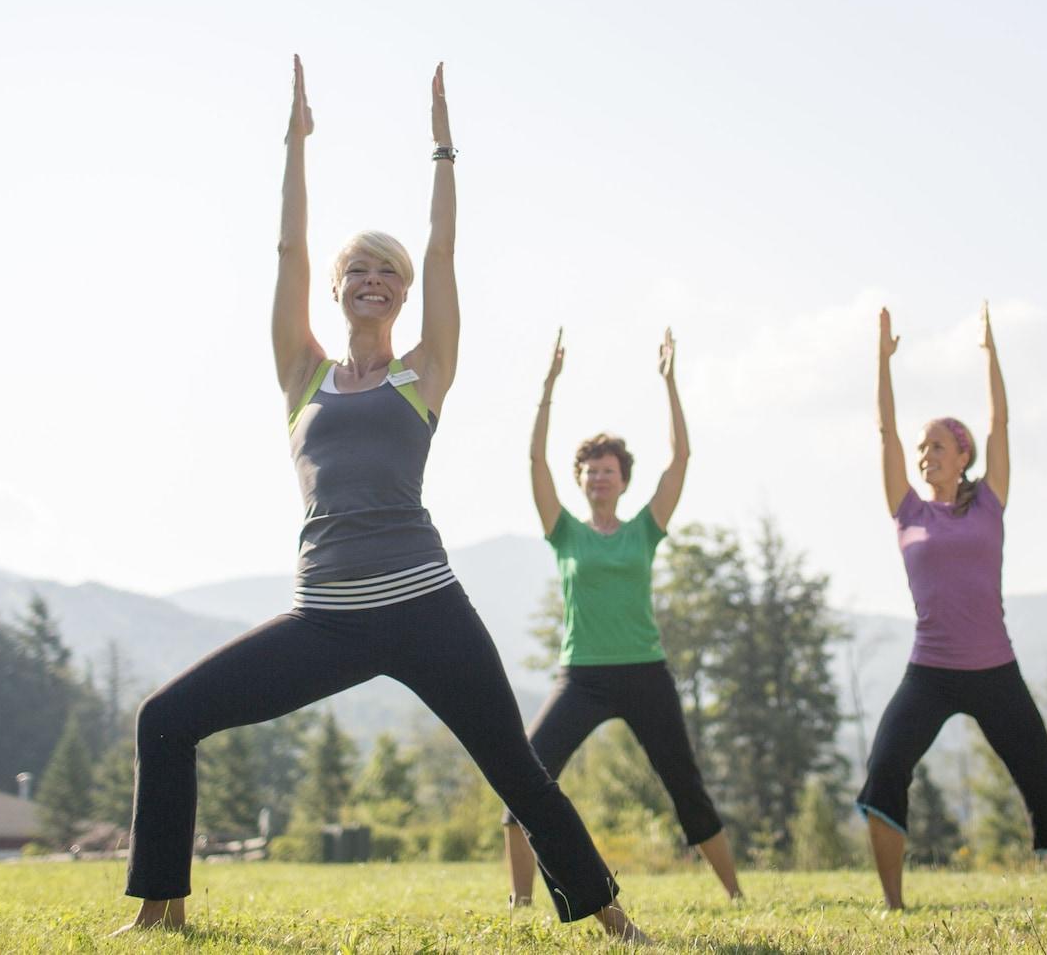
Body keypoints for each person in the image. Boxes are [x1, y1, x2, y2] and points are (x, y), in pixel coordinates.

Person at [113, 58, 649, 944]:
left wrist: (442, 148)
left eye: (387, 271)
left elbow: (443, 251)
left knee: (516, 767)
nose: (375, 276)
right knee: (166, 719)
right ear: (337, 285)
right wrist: (295, 143)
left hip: (428, 609)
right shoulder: (303, 374)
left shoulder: (423, 372)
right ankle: (159, 908)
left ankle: (613, 917)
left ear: (402, 292)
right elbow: (287, 248)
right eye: (359, 267)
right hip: (324, 617)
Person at [856, 304, 1047, 909]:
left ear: (963, 454)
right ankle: (893, 904)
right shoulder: (908, 509)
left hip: (995, 669)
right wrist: (883, 363)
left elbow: (1001, 420)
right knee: (885, 772)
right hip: (931, 671)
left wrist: (992, 354)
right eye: (923, 448)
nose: (925, 454)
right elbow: (885, 432)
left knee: (1041, 784)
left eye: (937, 445)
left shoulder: (990, 501)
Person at [503, 328, 743, 904]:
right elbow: (534, 458)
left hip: (645, 673)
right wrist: (548, 388)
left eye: (609, 469)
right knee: (524, 780)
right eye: (591, 470)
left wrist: (669, 382)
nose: (600, 477)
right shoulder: (563, 532)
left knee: (685, 786)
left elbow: (681, 458)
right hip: (580, 676)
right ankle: (520, 902)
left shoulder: (644, 529)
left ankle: (735, 895)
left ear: (623, 479)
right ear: (581, 480)